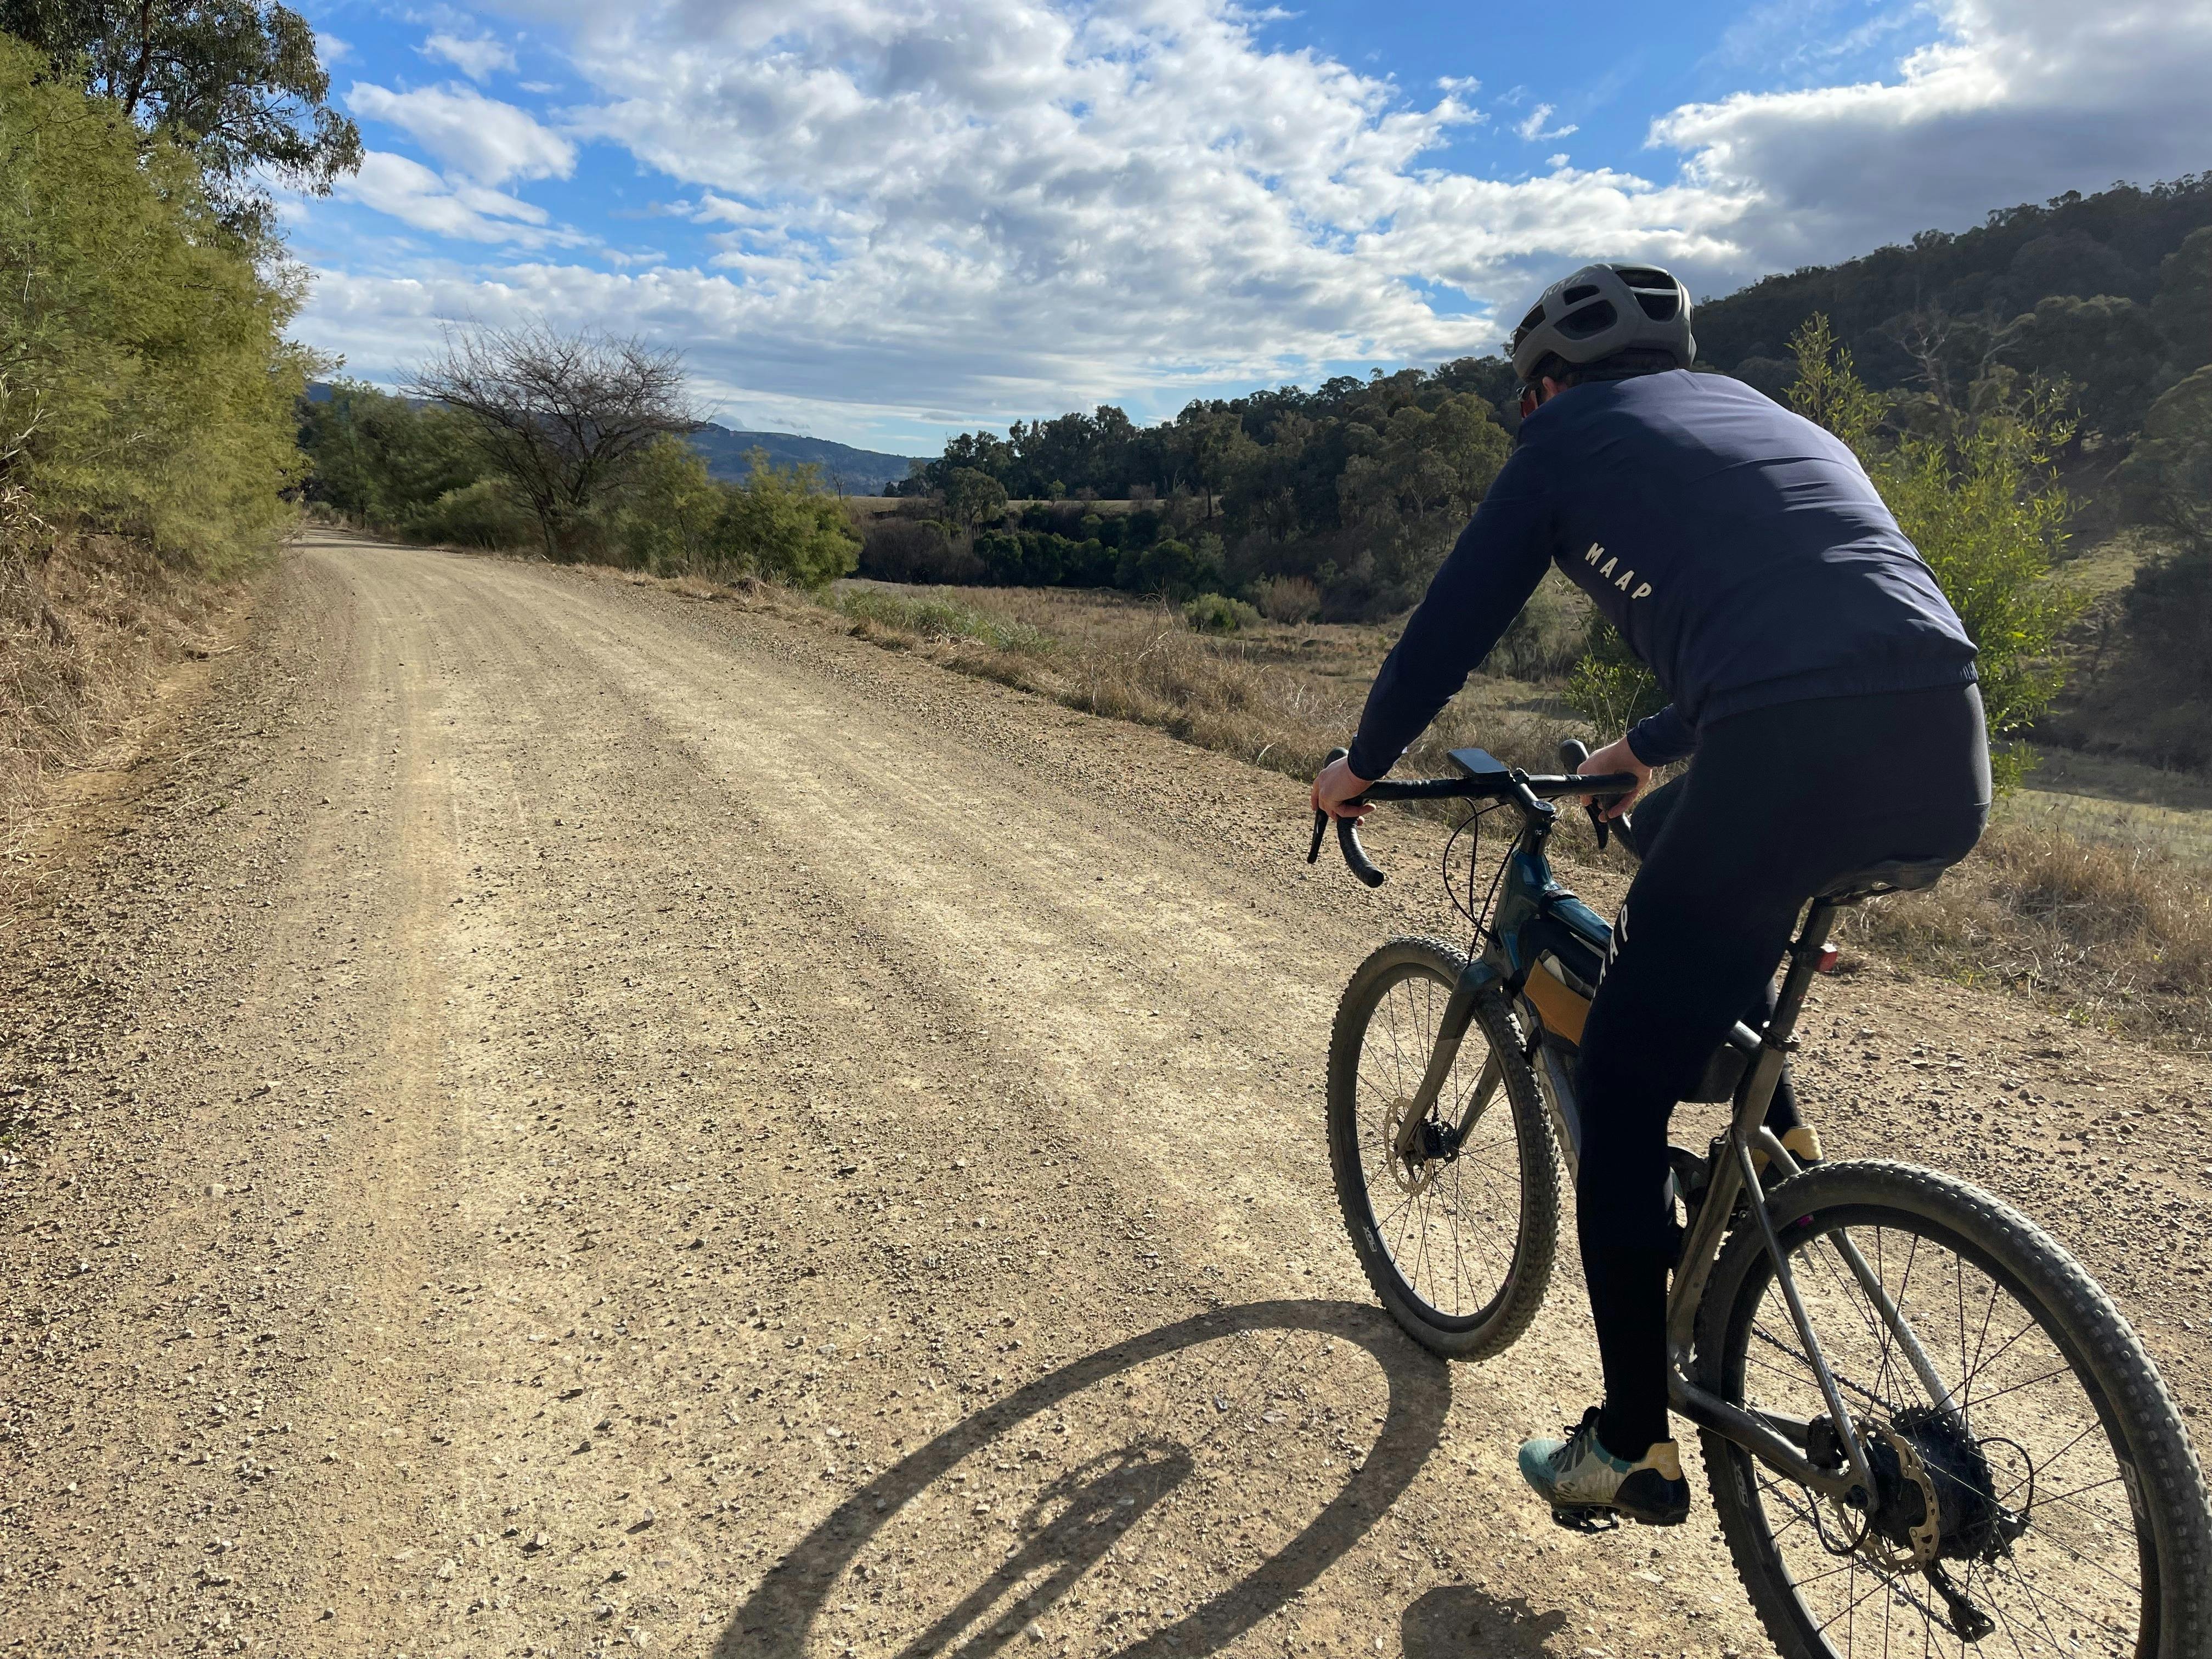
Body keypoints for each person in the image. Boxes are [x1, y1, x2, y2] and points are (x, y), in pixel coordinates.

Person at [1310, 263, 1991, 1527]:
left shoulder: (1563, 439)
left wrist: (1361, 762)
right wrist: (1649, 747)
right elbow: (1822, 620)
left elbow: (1453, 622)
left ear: (1544, 387)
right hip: (1945, 750)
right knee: (1683, 872)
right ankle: (1775, 1140)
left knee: (1621, 1086)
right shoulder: (1775, 423)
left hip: (1789, 748)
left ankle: (1632, 1444)